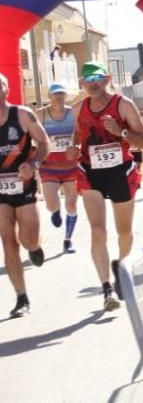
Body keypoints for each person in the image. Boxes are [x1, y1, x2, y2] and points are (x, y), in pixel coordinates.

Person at [67, 61, 143, 311]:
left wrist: (121, 132)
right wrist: (73, 150)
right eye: (87, 79)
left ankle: (121, 267)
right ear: (82, 83)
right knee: (97, 231)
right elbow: (78, 136)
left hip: (120, 173)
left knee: (123, 232)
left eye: (97, 78)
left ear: (106, 79)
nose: (92, 83)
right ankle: (106, 289)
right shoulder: (78, 108)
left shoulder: (122, 105)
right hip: (90, 173)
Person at [0, 72, 48, 317]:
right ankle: (21, 298)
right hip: (0, 192)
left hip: (24, 184)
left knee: (27, 239)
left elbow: (45, 143)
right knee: (8, 242)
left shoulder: (22, 116)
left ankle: (35, 246)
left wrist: (34, 166)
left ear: (6, 90)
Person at [37, 83, 84, 253]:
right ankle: (55, 212)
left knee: (72, 205)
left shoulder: (72, 113)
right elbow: (34, 137)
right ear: (49, 96)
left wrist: (77, 147)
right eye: (55, 94)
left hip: (70, 166)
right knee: (51, 203)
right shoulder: (41, 114)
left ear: (66, 96)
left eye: (62, 94)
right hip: (49, 167)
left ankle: (68, 240)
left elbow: (80, 134)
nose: (59, 97)